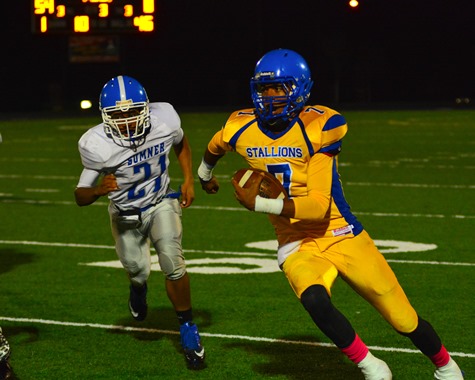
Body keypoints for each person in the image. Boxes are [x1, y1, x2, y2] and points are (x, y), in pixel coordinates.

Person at [198, 49, 463, 379]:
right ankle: (372, 366)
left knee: (403, 319)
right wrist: (204, 175)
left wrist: (262, 204)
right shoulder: (239, 126)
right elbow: (214, 147)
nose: (271, 97)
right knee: (314, 300)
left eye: (280, 89)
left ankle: (445, 366)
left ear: (300, 90)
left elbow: (317, 206)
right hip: (296, 241)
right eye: (265, 89)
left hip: (339, 232)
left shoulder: (319, 126)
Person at [74, 75, 205, 369]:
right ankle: (138, 288)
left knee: (173, 262)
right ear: (105, 117)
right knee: (138, 271)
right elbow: (79, 195)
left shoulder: (165, 120)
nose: (127, 121)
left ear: (145, 108)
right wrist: (98, 190)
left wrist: (187, 179)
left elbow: (181, 144)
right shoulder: (97, 145)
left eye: (132, 112)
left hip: (161, 202)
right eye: (118, 115)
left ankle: (187, 328)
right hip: (125, 215)